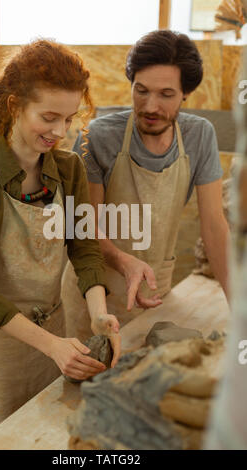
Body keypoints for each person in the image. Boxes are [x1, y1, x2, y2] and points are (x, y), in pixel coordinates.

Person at [0, 40, 120, 449]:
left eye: (69, 118)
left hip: (52, 343)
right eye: (48, 117)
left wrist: (99, 315)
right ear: (13, 106)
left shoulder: (69, 168)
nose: (60, 132)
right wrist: (55, 347)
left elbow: (85, 250)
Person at [62, 30, 229, 341]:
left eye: (166, 94)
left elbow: (215, 227)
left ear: (185, 94)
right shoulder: (98, 137)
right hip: (95, 292)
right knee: (91, 382)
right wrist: (126, 263)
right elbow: (83, 226)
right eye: (141, 91)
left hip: (154, 291)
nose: (150, 106)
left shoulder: (199, 136)